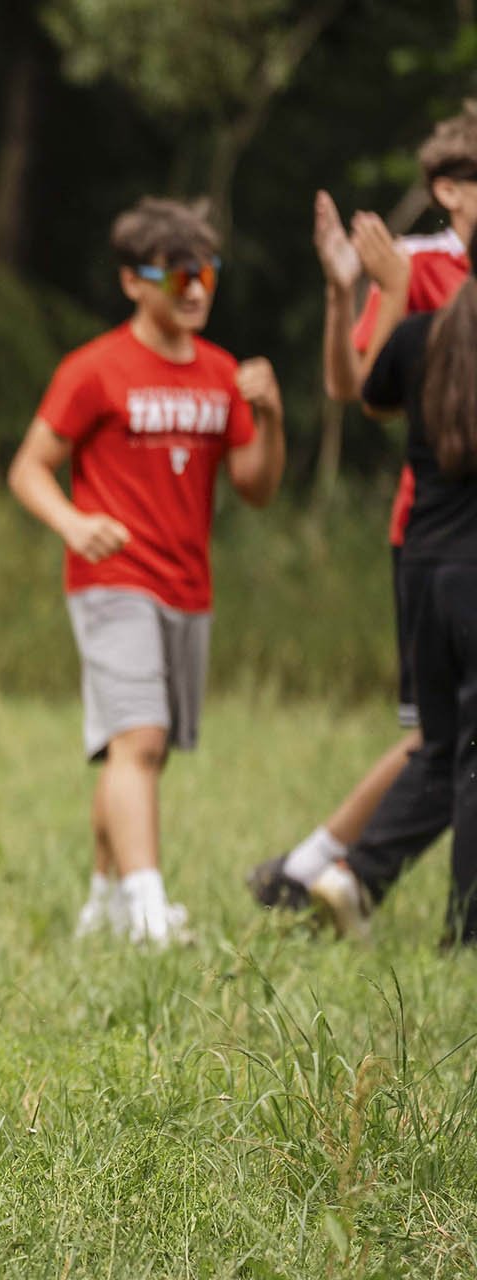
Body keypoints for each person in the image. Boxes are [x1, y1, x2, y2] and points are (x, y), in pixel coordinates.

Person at [8, 197, 284, 946]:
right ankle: (150, 915)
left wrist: (272, 415)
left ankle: (104, 903)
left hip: (188, 588)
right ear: (133, 281)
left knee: (132, 752)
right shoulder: (93, 370)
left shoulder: (222, 373)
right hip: (111, 582)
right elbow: (28, 468)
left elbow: (256, 488)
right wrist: (73, 523)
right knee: (142, 742)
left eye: (207, 273)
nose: (195, 289)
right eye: (177, 274)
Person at [247, 107, 477, 921]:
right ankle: (331, 871)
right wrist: (349, 292)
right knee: (441, 738)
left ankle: (320, 869)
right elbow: (354, 388)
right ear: (449, 189)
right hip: (438, 531)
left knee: (442, 740)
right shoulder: (413, 267)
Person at [330, 265, 477, 947]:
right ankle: (468, 935)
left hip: (422, 569)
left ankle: (357, 875)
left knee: (444, 751)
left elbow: (368, 392)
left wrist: (386, 293)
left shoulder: (419, 337)